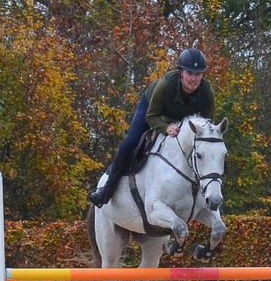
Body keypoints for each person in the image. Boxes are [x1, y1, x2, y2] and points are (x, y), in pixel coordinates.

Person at [87, 48, 215, 208]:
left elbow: (206, 126)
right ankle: (106, 191)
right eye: (190, 73)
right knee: (130, 143)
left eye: (198, 74)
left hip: (180, 117)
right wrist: (165, 128)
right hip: (153, 109)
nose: (193, 79)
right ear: (181, 72)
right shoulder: (164, 86)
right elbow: (151, 116)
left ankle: (211, 194)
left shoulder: (207, 93)